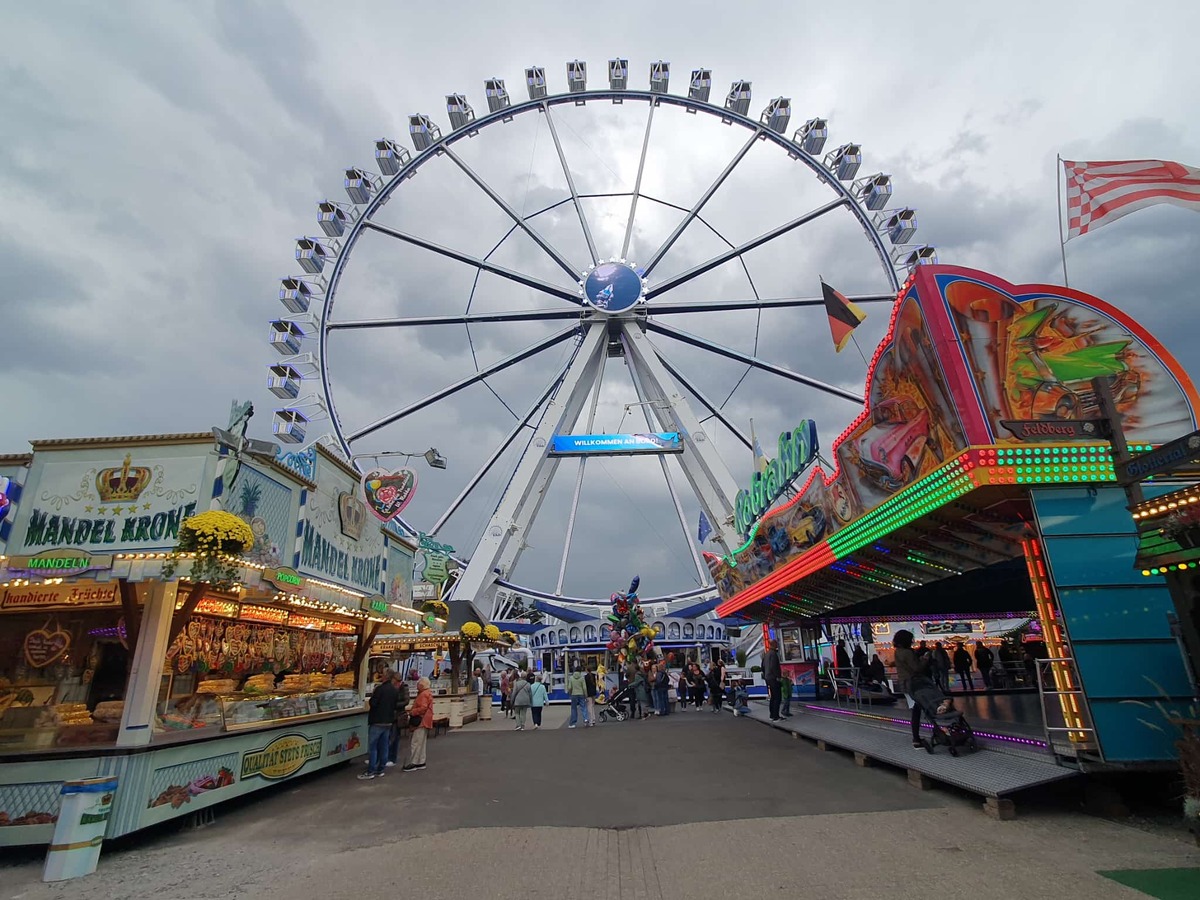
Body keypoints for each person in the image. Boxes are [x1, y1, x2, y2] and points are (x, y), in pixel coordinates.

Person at [893, 629, 932, 749]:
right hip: (913, 684)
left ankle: (916, 738)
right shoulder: (907, 653)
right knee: (918, 709)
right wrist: (925, 659)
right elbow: (916, 668)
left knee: (915, 709)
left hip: (905, 684)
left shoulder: (897, 652)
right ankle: (916, 739)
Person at [361, 668, 399, 780]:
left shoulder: (379, 689)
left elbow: (373, 703)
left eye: (382, 674)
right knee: (384, 746)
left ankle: (371, 770)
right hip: (388, 721)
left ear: (385, 676)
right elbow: (395, 705)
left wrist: (371, 700)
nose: (381, 675)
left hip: (377, 720)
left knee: (373, 747)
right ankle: (381, 769)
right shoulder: (394, 690)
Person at [402, 677, 434, 771]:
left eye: (418, 684)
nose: (416, 686)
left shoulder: (423, 694)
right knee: (421, 742)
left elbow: (423, 708)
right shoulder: (428, 693)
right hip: (426, 720)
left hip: (420, 720)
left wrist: (412, 712)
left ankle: (414, 762)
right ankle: (421, 761)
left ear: (422, 685)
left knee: (416, 742)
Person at [387, 673, 412, 768]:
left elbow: (406, 701)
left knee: (394, 737)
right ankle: (388, 757)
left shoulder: (403, 687)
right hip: (392, 715)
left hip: (398, 715)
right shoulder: (394, 687)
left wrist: (394, 704)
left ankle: (392, 758)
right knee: (391, 737)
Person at [763, 640, 782, 721]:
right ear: (774, 645)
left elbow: (763, 666)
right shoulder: (773, 654)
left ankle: (772, 715)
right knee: (777, 697)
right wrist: (778, 676)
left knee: (773, 697)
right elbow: (774, 666)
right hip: (773, 678)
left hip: (768, 678)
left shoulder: (766, 654)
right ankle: (776, 716)